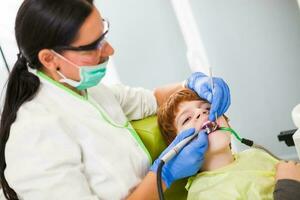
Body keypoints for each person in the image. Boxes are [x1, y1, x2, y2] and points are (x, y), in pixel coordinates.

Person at [0, 0, 231, 199]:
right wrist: (165, 174)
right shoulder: (34, 134)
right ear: (50, 58)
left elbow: (149, 99)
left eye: (103, 35)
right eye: (93, 46)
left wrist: (192, 84)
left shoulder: (87, 90)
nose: (110, 50)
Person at [157, 89, 300, 200]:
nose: (202, 112)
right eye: (187, 118)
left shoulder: (255, 154)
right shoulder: (204, 194)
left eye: (207, 108)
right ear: (178, 148)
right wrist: (289, 185)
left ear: (226, 121)